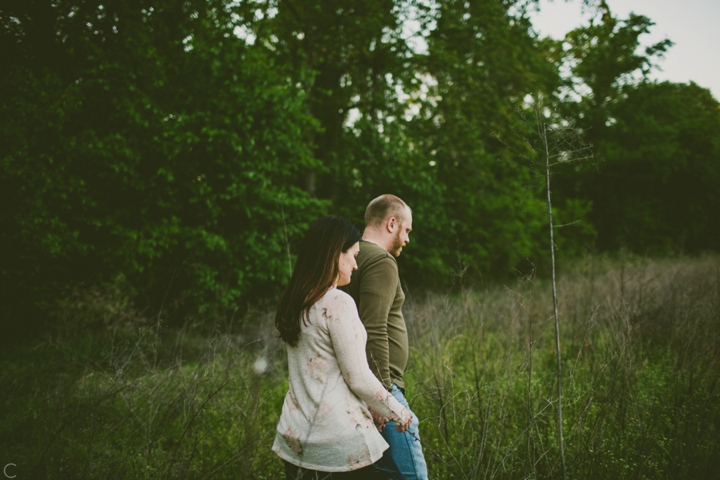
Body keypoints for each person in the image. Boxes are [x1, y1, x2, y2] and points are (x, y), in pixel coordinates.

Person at [272, 215, 412, 480]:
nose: (356, 265)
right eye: (354, 255)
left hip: (296, 436)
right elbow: (357, 377)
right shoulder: (338, 302)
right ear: (336, 254)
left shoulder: (297, 299)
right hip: (336, 442)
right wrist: (398, 412)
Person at [340, 194, 429, 480]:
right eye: (407, 231)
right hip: (381, 388)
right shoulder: (381, 261)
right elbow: (373, 328)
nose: (407, 240)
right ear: (392, 223)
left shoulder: (350, 258)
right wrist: (381, 398)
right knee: (412, 476)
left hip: (354, 387)